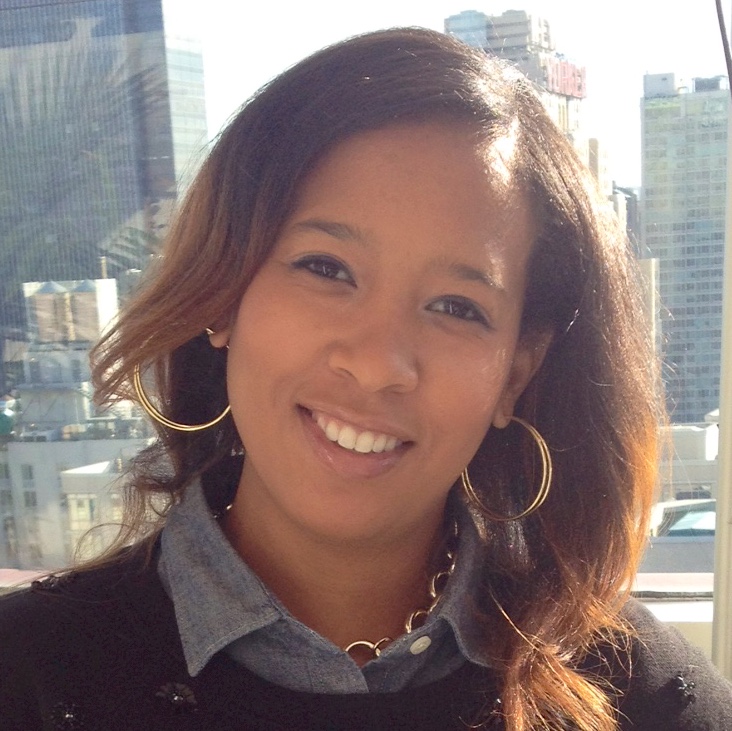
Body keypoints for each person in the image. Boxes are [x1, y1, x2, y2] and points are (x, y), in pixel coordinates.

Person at [1, 27, 730, 731]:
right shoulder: (28, 674)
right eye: (326, 267)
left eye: (457, 306)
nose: (379, 360)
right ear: (224, 293)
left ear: (516, 371)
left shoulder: (635, 695)